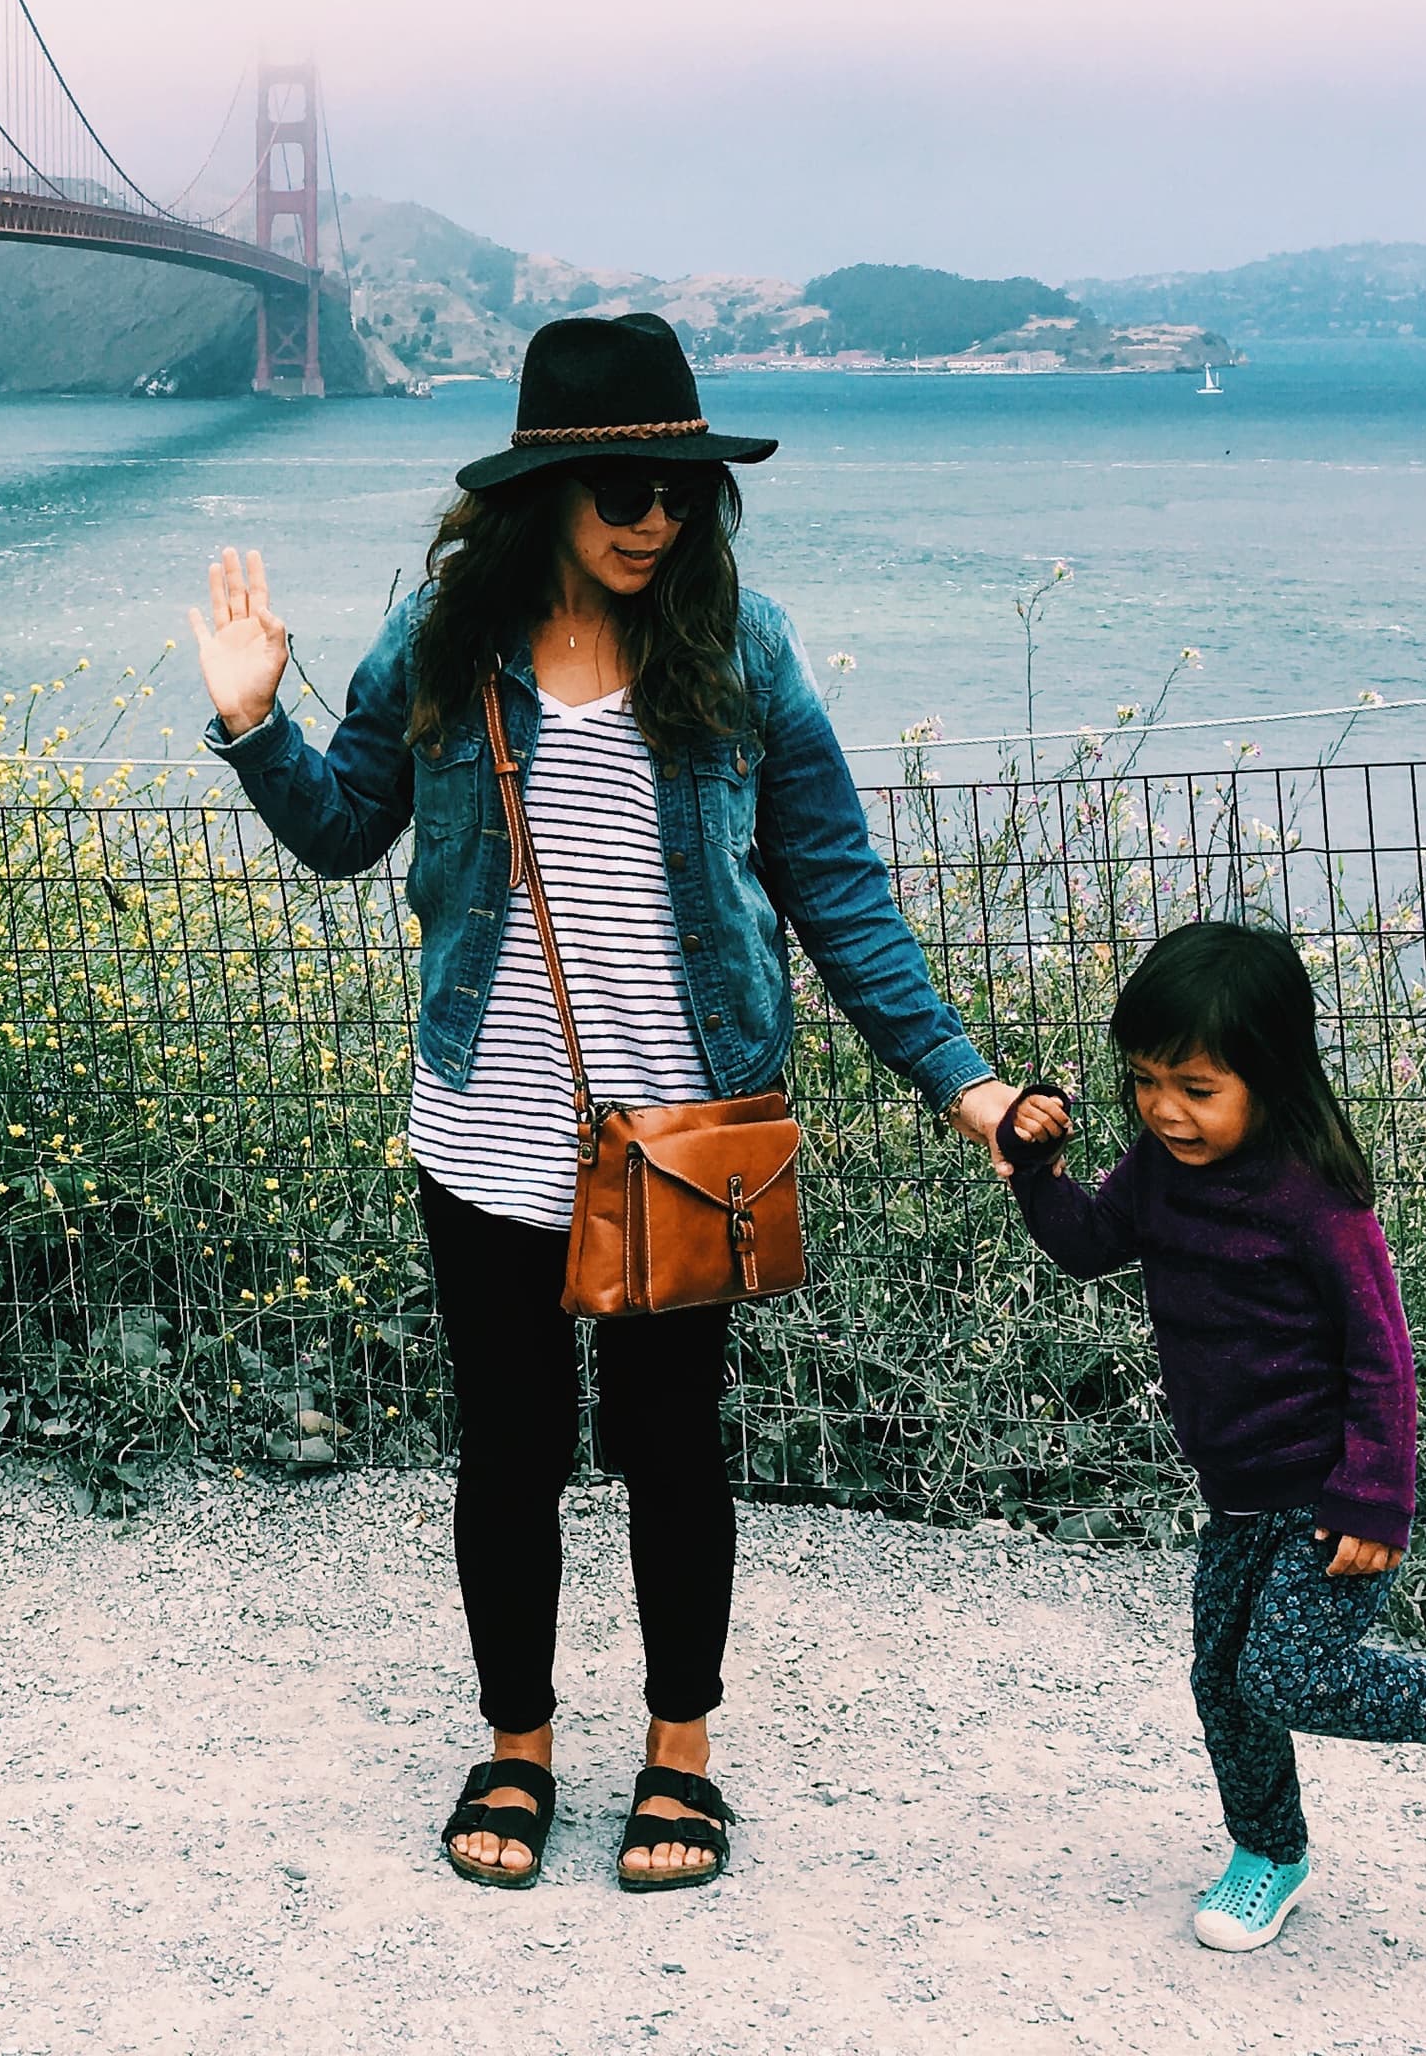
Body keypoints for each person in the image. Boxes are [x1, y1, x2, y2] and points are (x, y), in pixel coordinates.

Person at [187, 312, 1022, 1893]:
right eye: (624, 490)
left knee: (669, 1446)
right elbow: (343, 829)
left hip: (686, 1140)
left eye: (682, 490)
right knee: (508, 1453)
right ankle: (517, 1744)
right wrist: (251, 721)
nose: (658, 518)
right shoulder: (440, 644)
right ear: (544, 493)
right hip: (487, 1132)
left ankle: (681, 1750)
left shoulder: (741, 649)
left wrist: (965, 1083)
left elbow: (837, 891)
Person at [994, 918, 1426, 1952]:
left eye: (1197, 1088)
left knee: (1288, 1672)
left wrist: (1377, 1499)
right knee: (1224, 1684)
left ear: (1271, 1074)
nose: (1165, 1109)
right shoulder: (1159, 1170)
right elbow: (1085, 1245)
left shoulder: (1315, 1196)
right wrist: (1036, 1168)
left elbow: (1382, 1355)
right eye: (1144, 1080)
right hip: (1239, 1499)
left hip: (1327, 1493)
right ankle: (1270, 1853)